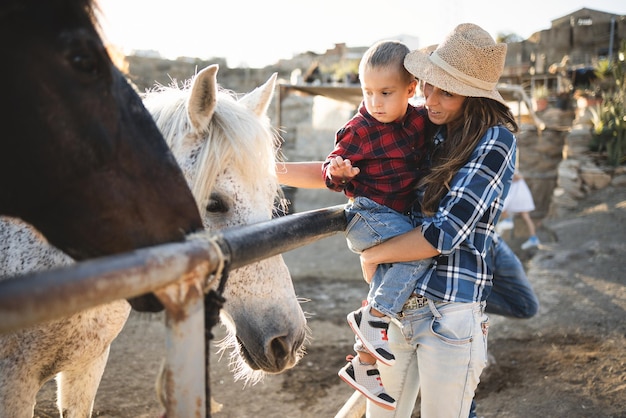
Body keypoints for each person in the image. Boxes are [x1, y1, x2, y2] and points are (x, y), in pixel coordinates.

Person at [352, 23, 518, 417]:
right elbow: (363, 164)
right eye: (429, 85)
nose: (430, 98)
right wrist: (271, 168)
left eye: (447, 90)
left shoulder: (496, 140)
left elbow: (445, 232)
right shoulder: (433, 130)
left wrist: (372, 256)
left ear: (475, 97)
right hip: (399, 307)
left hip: (450, 313)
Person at [320, 39, 436, 410]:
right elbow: (331, 165)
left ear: (410, 89)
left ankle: (364, 362)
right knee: (419, 251)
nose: (376, 102)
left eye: (386, 93)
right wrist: (338, 172)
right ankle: (374, 315)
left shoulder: (419, 121)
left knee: (402, 263)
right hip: (366, 215)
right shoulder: (359, 128)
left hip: (396, 219)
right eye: (368, 92)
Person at [496, 172, 541, 250]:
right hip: (520, 195)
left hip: (518, 196)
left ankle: (508, 221)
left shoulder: (509, 171)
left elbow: (519, 176)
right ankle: (533, 238)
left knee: (501, 206)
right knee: (526, 217)